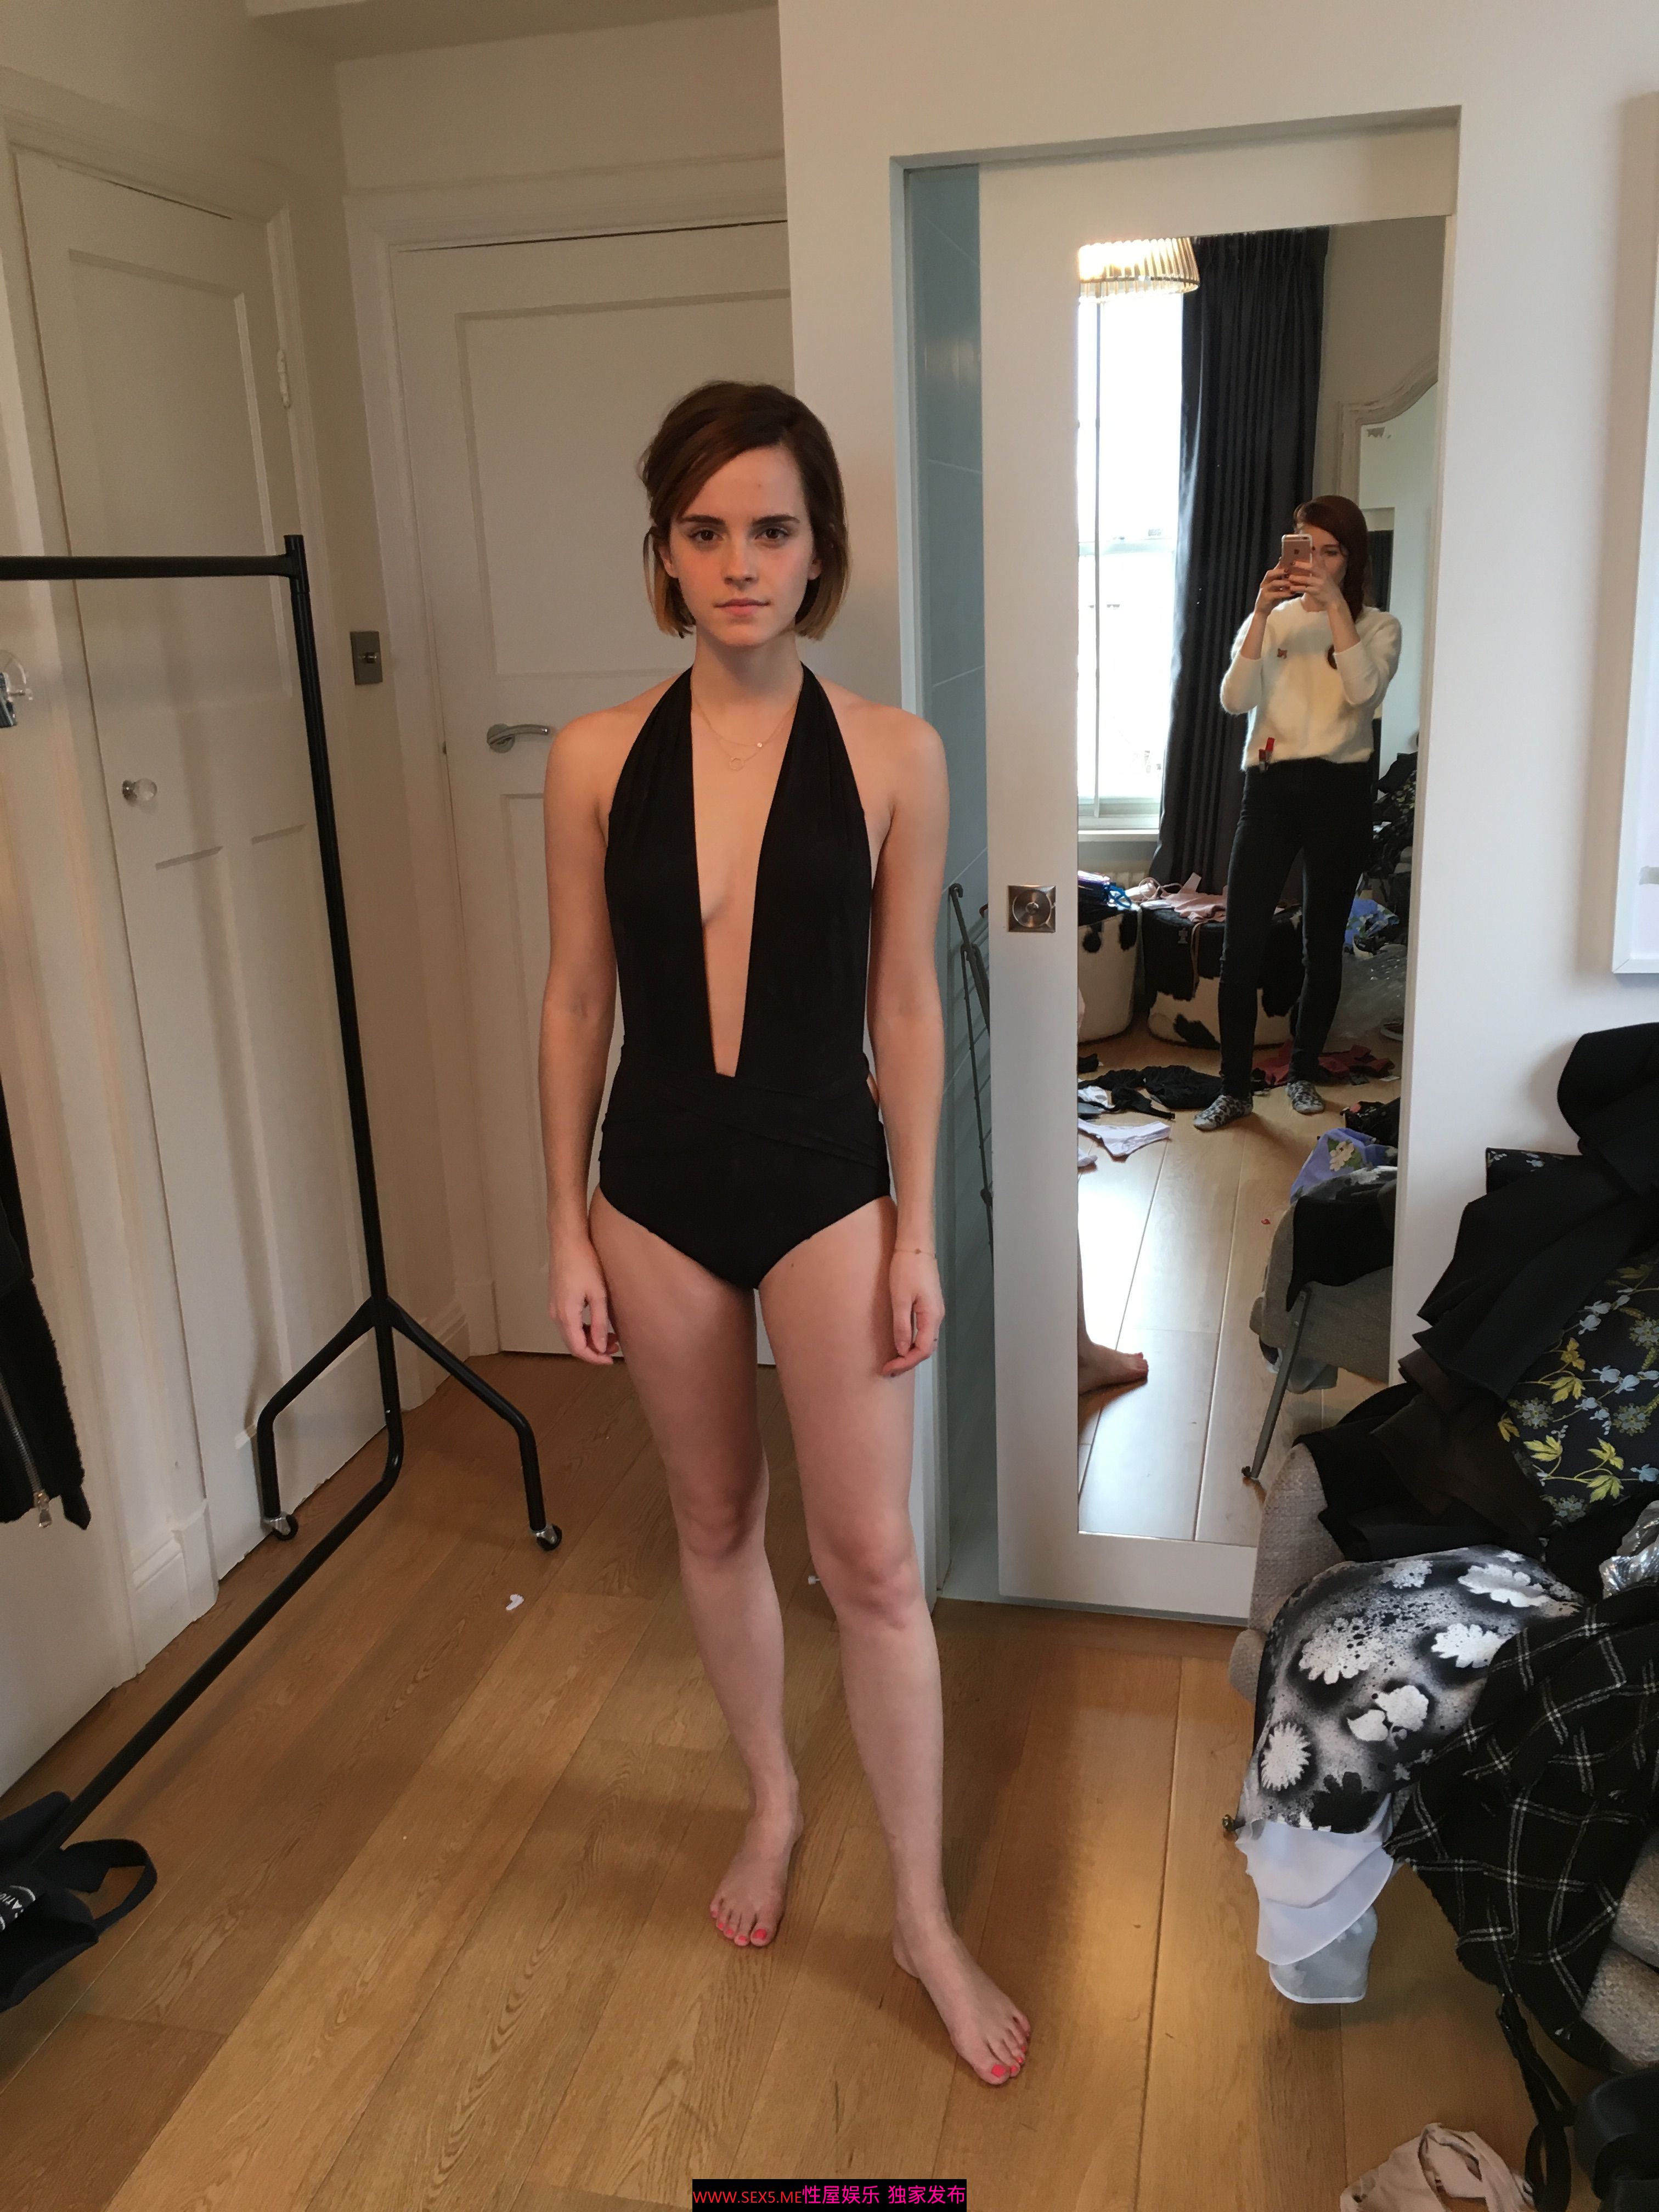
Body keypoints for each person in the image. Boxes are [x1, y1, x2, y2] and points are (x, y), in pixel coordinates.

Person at [538, 381, 1030, 2087]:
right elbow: (577, 999)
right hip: (657, 1183)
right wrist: (563, 1226)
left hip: (830, 1176)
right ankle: (772, 1800)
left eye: (772, 529)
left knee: (872, 1561)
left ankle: (920, 1915)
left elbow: (908, 1003)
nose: (740, 563)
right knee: (713, 1516)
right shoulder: (594, 757)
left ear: (820, 553)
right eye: (706, 532)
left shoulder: (897, 753)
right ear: (664, 555)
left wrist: (915, 1229)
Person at [1194, 496, 1402, 1133]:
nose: (1316, 562)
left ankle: (1304, 1071)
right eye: (1306, 548)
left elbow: (1363, 692)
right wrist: (1261, 615)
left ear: (1351, 558)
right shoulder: (1274, 619)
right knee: (1242, 944)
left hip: (1342, 792)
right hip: (1271, 790)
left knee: (1322, 942)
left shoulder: (1379, 627)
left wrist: (1336, 607)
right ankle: (1234, 1088)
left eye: (1331, 551)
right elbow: (1235, 699)